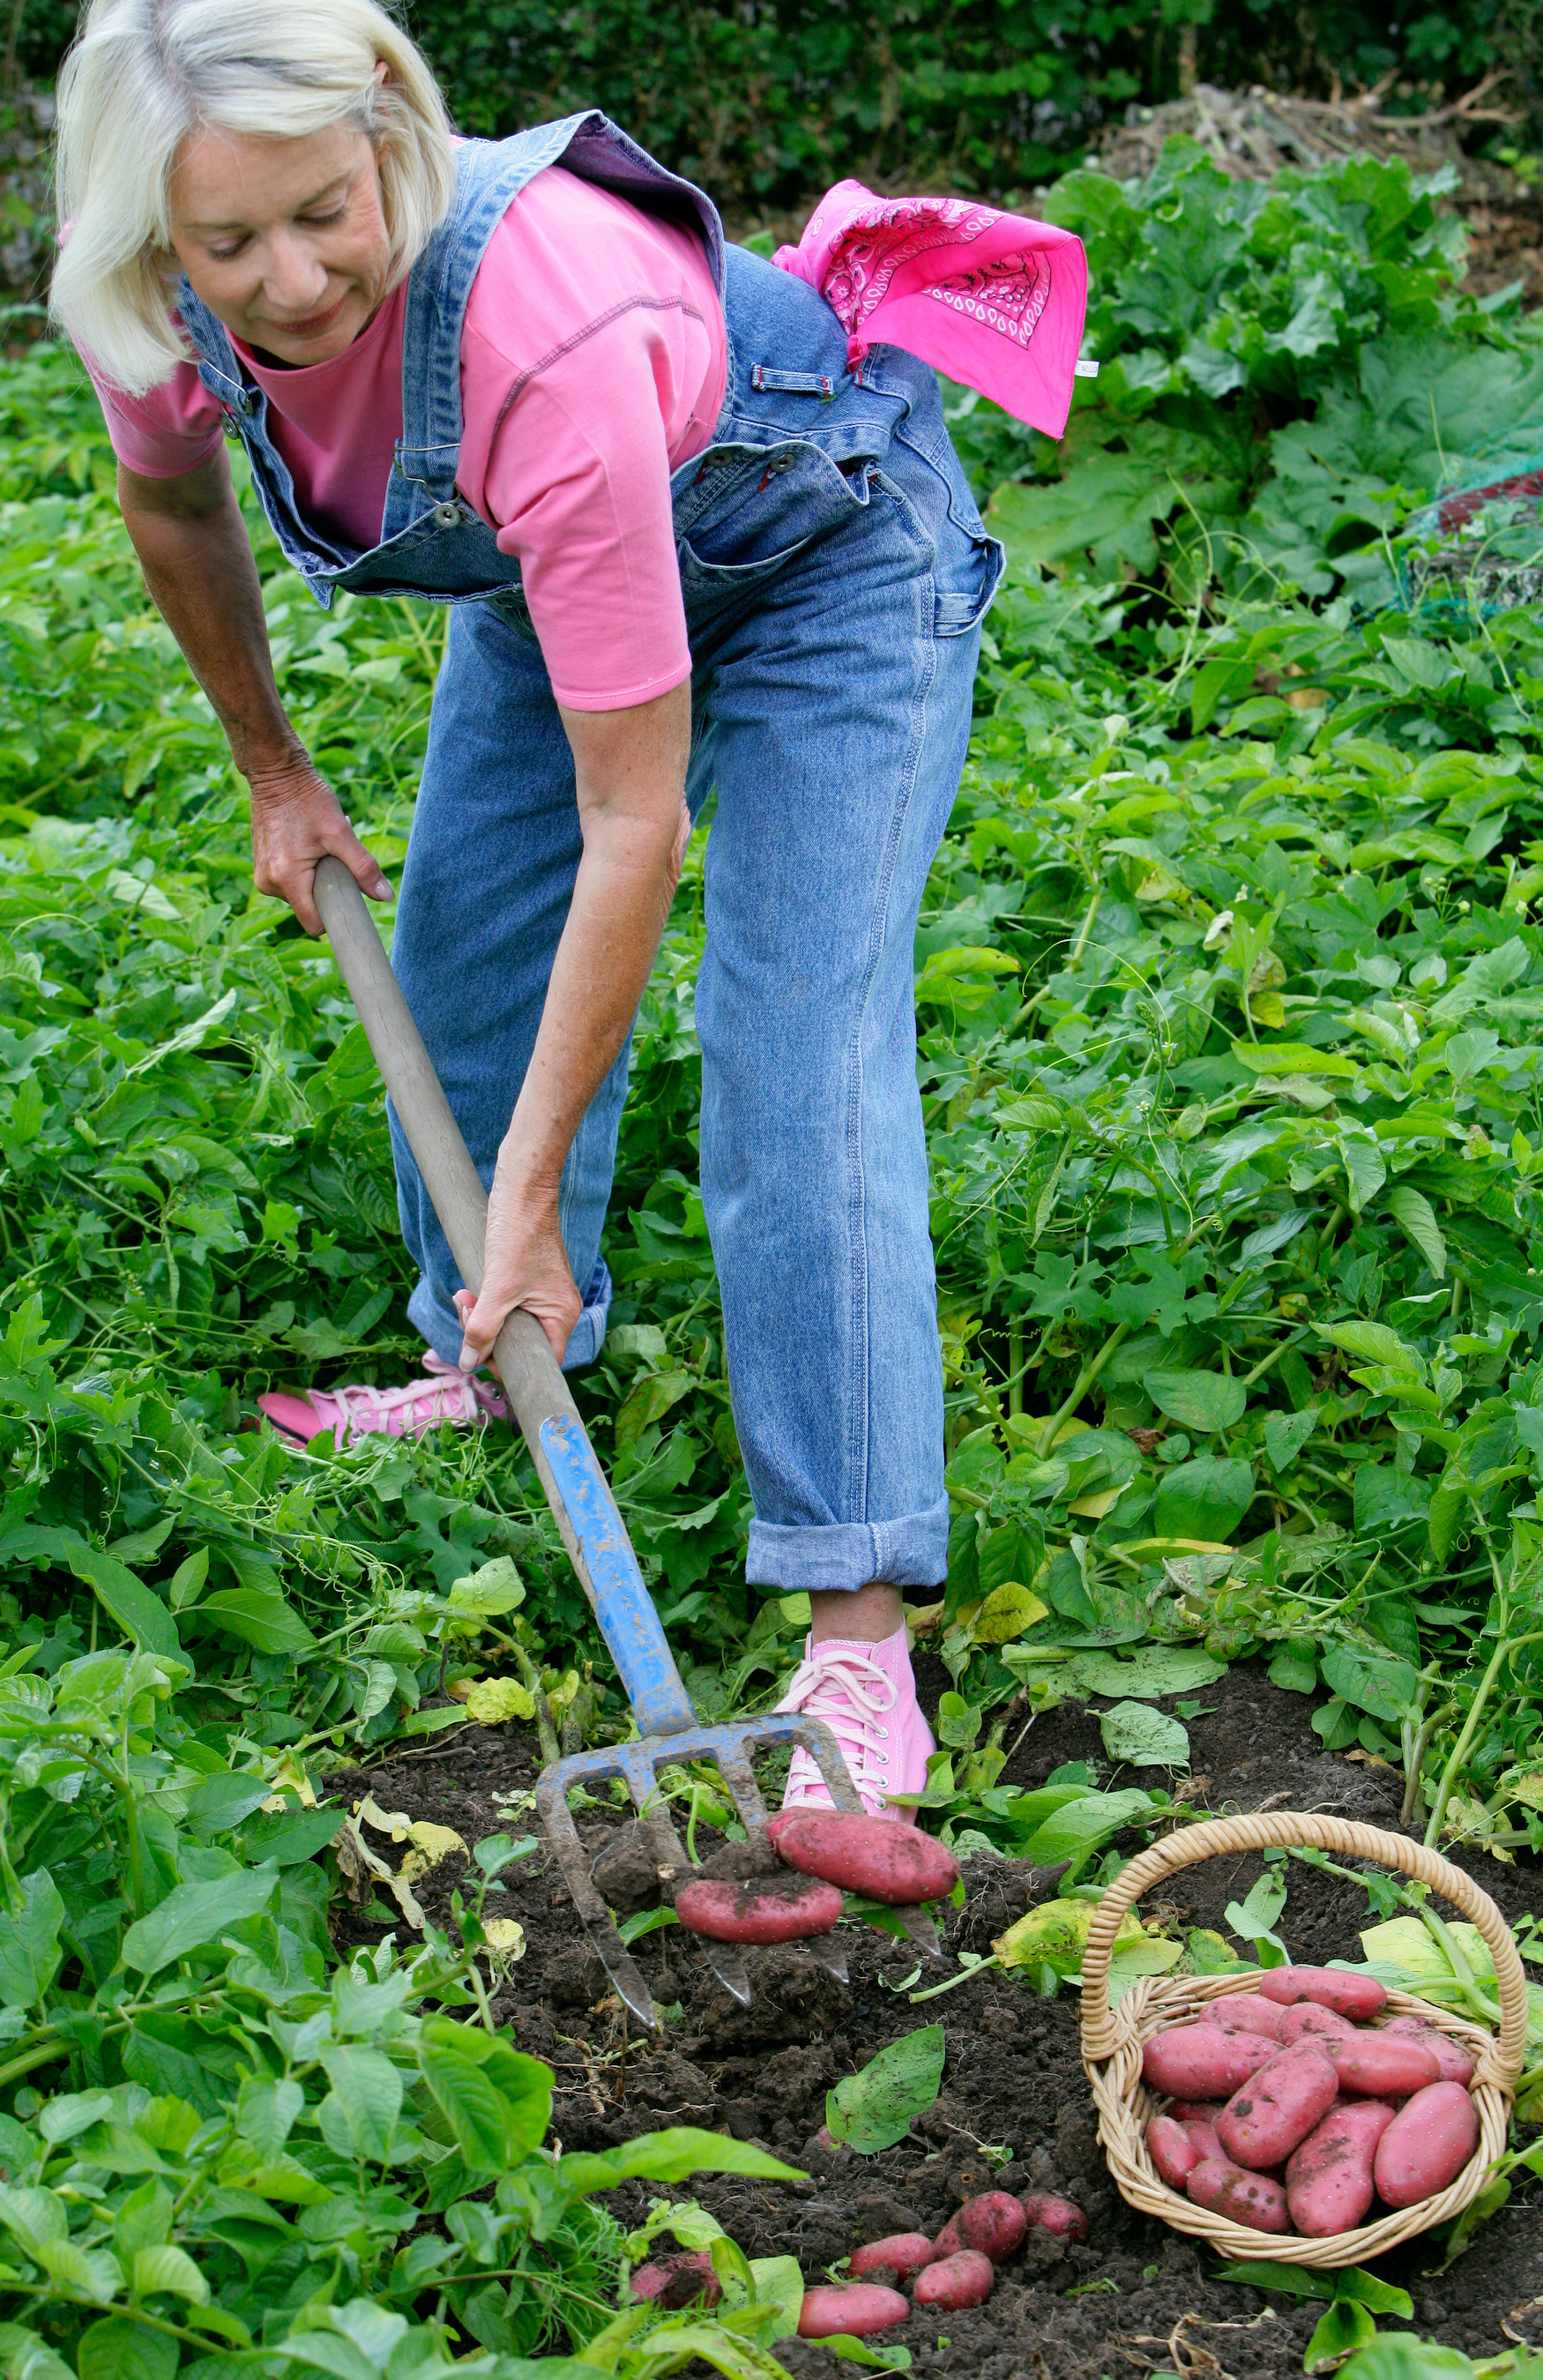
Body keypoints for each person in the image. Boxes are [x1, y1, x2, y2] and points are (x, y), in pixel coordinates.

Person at [51, 0, 1085, 1816]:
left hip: (823, 551)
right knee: (462, 970)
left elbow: (635, 831)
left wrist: (516, 1196)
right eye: (231, 243)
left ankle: (853, 1613)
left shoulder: (543, 325)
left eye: (324, 210)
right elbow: (175, 506)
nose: (290, 278)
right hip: (576, 577)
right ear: (152, 240)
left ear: (385, 132)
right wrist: (275, 772)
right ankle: (511, 1335)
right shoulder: (155, 308)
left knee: (793, 1052)